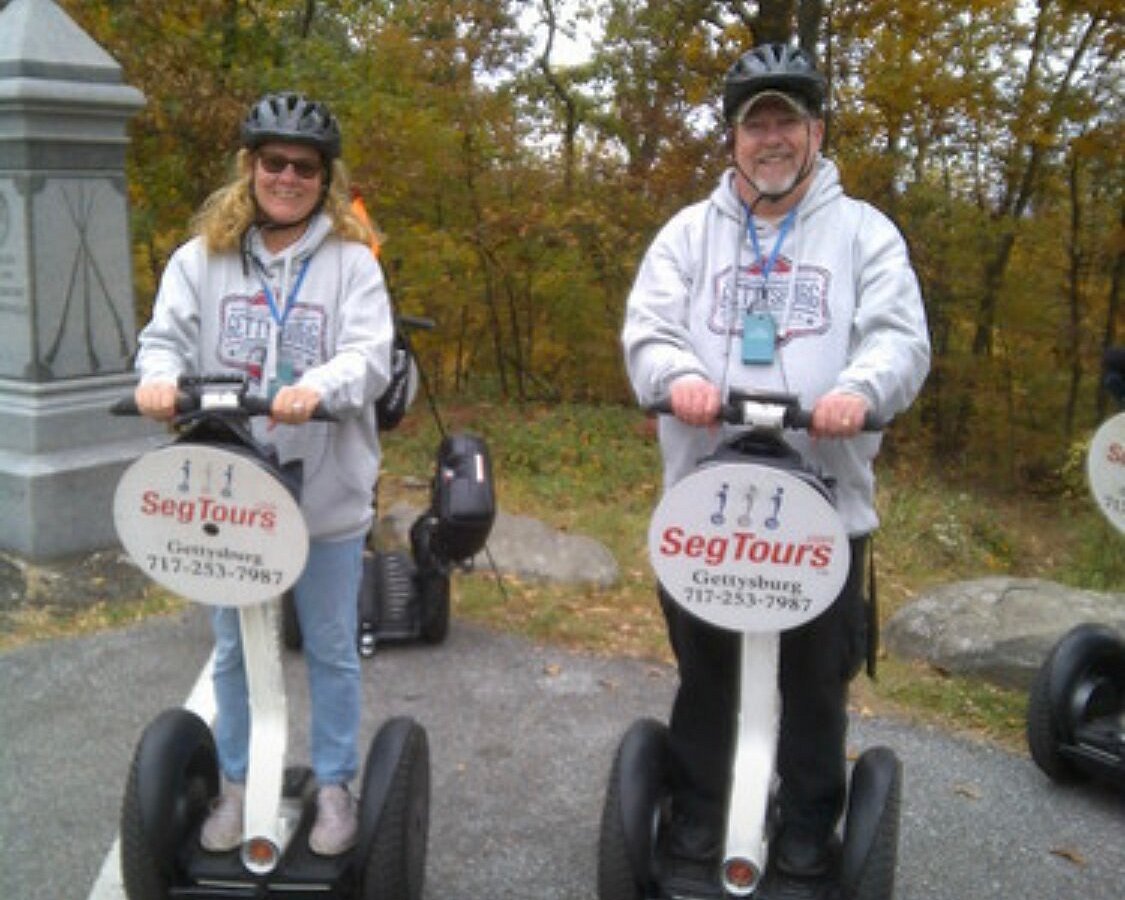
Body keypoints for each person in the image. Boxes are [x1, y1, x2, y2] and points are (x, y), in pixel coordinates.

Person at [621, 43, 931, 897]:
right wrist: (676, 377)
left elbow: (898, 338)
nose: (770, 137)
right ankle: (698, 806)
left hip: (822, 507)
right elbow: (648, 329)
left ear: (814, 131)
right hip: (707, 507)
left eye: (785, 119)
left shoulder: (863, 232)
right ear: (732, 138)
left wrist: (859, 390)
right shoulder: (689, 234)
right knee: (707, 674)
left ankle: (804, 821)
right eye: (754, 121)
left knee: (812, 683)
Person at [133, 91, 394, 856]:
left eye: (303, 167)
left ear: (324, 179)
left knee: (331, 645)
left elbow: (368, 354)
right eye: (272, 162)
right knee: (235, 646)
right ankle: (241, 781)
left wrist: (322, 386)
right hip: (231, 494)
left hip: (325, 495)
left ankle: (337, 783)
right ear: (249, 169)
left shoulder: (351, 265)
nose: (287, 176)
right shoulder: (201, 259)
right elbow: (164, 340)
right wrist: (157, 379)